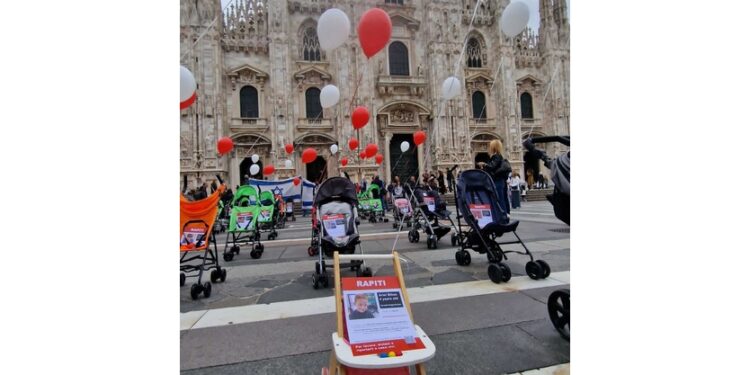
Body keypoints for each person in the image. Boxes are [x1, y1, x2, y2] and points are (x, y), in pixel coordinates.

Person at [478, 139, 512, 217]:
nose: (489, 147)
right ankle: (503, 215)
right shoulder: (497, 156)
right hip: (499, 180)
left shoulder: (496, 156)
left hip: (498, 180)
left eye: (490, 146)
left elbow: (492, 167)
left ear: (493, 147)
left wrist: (484, 164)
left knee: (499, 198)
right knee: (501, 198)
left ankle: (502, 216)